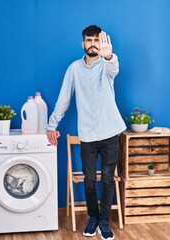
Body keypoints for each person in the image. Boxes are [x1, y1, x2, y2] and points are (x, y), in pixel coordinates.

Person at [46, 25, 126, 240]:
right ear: (83, 44)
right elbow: (64, 100)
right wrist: (51, 126)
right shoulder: (73, 69)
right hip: (88, 135)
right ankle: (93, 217)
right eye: (89, 40)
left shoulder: (107, 66)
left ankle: (104, 221)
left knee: (108, 179)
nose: (92, 43)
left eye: (96, 40)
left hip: (110, 132)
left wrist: (109, 56)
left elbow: (114, 69)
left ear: (101, 44)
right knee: (90, 180)